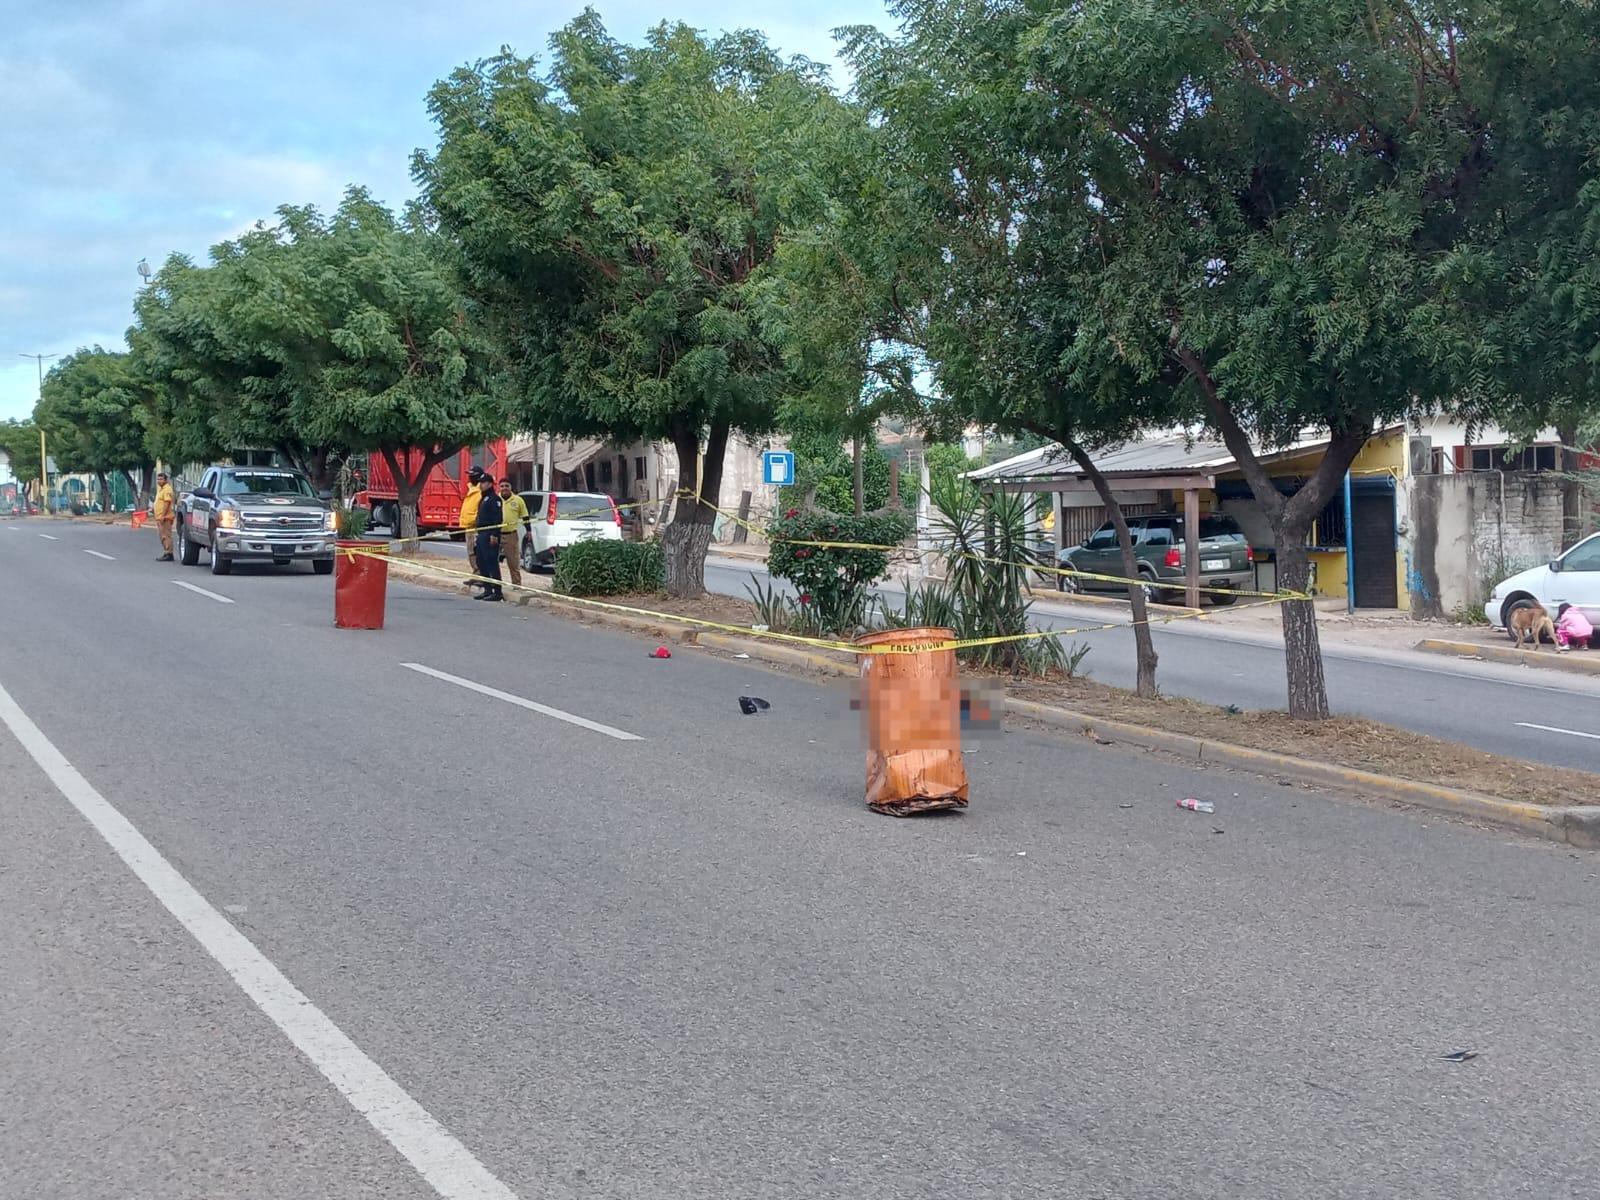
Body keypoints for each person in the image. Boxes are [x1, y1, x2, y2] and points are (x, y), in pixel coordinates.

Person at [474, 474, 504, 601]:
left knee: (492, 562)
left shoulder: (494, 499)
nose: (481, 485)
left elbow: (498, 519)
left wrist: (494, 534)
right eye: (480, 482)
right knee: (482, 562)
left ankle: (497, 592)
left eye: (484, 482)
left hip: (489, 533)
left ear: (490, 484)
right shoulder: (483, 498)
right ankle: (487, 589)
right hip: (481, 533)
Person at [498, 478, 530, 592]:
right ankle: (493, 585)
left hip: (511, 535)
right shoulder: (496, 499)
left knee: (513, 562)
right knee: (490, 561)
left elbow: (525, 517)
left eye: (507, 485)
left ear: (511, 487)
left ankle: (517, 585)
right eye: (502, 486)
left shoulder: (518, 500)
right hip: (495, 535)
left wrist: (529, 531)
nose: (504, 488)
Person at [458, 466, 485, 587]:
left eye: (472, 475)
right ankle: (476, 574)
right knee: (471, 553)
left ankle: (481, 576)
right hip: (468, 527)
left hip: (475, 527)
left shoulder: (480, 491)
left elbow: (480, 510)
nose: (470, 477)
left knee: (475, 552)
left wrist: (475, 521)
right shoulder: (471, 489)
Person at [152, 472, 176, 561]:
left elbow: (167, 502)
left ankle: (169, 553)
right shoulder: (161, 489)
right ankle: (166, 552)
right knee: (162, 535)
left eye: (161, 479)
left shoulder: (167, 489)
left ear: (165, 480)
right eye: (158, 479)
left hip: (165, 518)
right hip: (160, 517)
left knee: (166, 535)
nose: (159, 481)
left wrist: (162, 516)